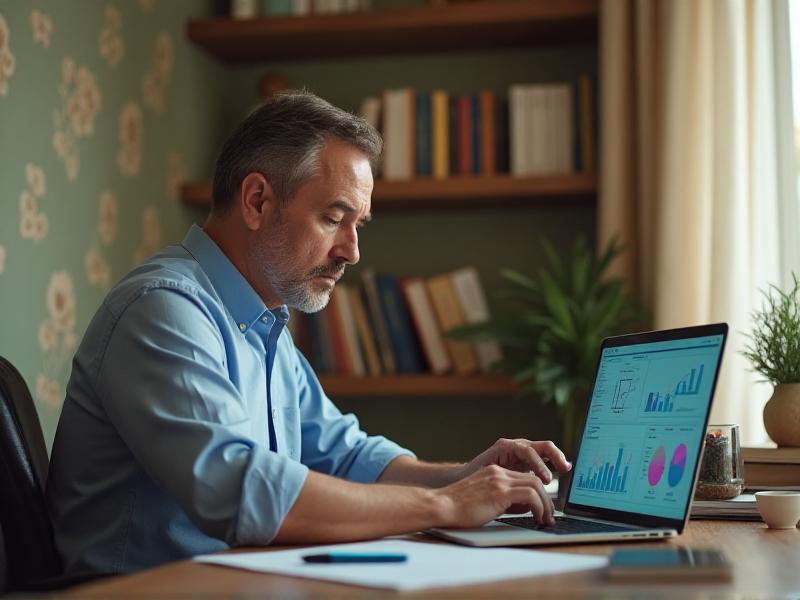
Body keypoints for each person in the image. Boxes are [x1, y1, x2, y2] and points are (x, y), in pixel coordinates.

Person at [46, 90, 571, 576]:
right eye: (333, 217)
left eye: (357, 225)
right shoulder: (162, 310)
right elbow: (242, 492)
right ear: (256, 201)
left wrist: (464, 478)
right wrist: (446, 505)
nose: (352, 251)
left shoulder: (265, 321)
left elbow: (348, 457)